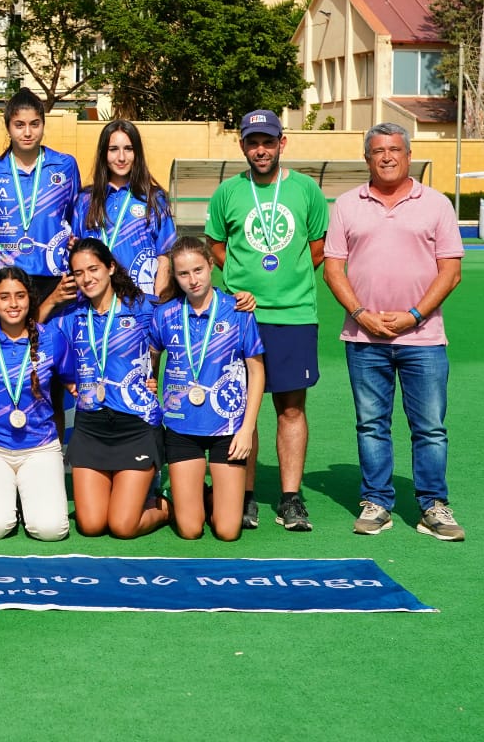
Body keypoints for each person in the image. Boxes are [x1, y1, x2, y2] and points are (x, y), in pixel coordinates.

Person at [323, 123, 465, 541]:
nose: (387, 156)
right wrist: (360, 313)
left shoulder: (436, 204)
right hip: (364, 338)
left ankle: (433, 505)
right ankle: (377, 503)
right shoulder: (347, 204)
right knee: (371, 424)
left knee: (430, 427)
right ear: (367, 158)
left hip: (423, 339)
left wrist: (415, 315)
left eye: (395, 150)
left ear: (408, 155)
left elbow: (451, 271)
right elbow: (334, 268)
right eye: (378, 151)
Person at [203, 109, 328, 532]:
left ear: (282, 143)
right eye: (253, 142)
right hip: (241, 317)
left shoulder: (307, 190)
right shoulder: (227, 193)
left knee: (291, 407)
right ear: (242, 145)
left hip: (293, 316)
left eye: (268, 142)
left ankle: (291, 498)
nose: (261, 150)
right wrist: (239, 280)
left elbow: (317, 247)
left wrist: (286, 283)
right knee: (242, 408)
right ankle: (246, 495)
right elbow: (216, 246)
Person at [46, 238, 168, 538]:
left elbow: (186, 328)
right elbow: (27, 334)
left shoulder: (143, 307)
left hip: (135, 426)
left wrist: (240, 299)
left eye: (93, 269)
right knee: (90, 525)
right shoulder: (71, 315)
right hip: (91, 428)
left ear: (111, 267)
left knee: (122, 526)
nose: (87, 278)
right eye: (78, 272)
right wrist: (50, 300)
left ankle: (167, 505)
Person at [152, 237, 264, 542]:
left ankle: (211, 492)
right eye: (184, 274)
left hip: (227, 429)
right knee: (190, 530)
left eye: (198, 270)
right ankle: (189, 494)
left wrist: (246, 429)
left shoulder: (238, 310)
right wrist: (151, 381)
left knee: (228, 531)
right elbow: (151, 358)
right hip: (180, 427)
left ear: (211, 266)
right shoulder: (164, 314)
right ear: (174, 276)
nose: (193, 279)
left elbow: (257, 370)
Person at [0, 267, 73, 541]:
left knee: (51, 531)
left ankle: (26, 496)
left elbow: (74, 382)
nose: (13, 304)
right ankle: (14, 495)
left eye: (20, 296)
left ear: (30, 299)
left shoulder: (52, 337)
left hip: (40, 446)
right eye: (5, 297)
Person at [0, 88, 81, 326]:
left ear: (43, 124)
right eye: (19, 125)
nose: (28, 132)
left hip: (51, 278)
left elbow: (71, 216)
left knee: (52, 357)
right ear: (8, 127)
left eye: (35, 124)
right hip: (1, 278)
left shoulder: (65, 166)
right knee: (0, 357)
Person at [72, 120, 176, 301]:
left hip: (140, 303)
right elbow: (76, 252)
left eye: (128, 149)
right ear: (104, 153)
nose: (121, 157)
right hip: (95, 305)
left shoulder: (154, 198)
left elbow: (165, 256)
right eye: (113, 149)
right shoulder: (85, 200)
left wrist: (156, 299)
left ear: (137, 153)